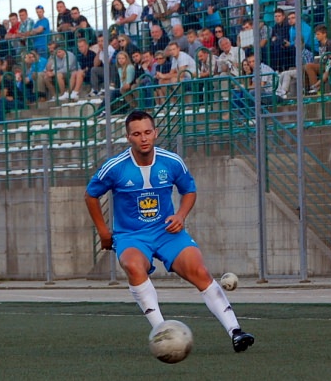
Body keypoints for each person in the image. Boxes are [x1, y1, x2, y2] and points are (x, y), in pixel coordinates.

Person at [84, 110, 255, 352]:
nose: (143, 138)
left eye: (147, 132)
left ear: (155, 133)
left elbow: (189, 191)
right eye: (136, 134)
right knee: (133, 265)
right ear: (128, 137)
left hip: (166, 232)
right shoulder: (115, 167)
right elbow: (91, 195)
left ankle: (236, 331)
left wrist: (181, 216)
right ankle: (163, 333)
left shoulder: (172, 161)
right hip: (131, 236)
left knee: (200, 270)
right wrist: (103, 232)